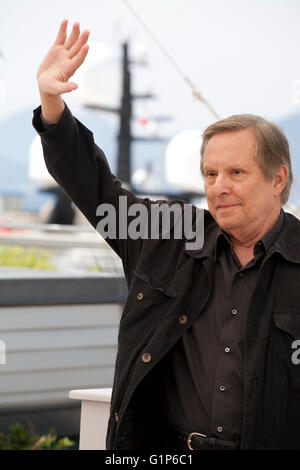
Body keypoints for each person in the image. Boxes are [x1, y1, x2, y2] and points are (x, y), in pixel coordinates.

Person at [33, 19, 300, 450]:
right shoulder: (168, 236)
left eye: (236, 172)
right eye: (210, 174)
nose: (219, 186)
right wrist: (52, 105)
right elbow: (98, 191)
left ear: (277, 178)